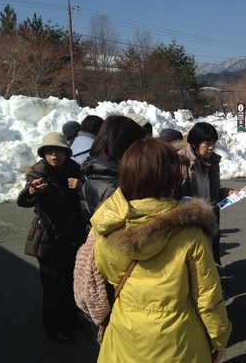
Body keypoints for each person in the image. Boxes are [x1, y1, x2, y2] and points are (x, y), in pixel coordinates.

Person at [91, 138, 232, 363]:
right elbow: (207, 296)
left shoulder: (107, 223)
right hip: (179, 341)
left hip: (125, 333)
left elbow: (105, 273)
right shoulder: (187, 232)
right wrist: (219, 339)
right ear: (170, 177)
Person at [17, 132, 87, 343]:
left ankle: (71, 318)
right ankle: (54, 328)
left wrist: (82, 188)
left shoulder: (74, 169)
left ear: (66, 153)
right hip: (48, 237)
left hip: (72, 235)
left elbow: (88, 196)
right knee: (53, 286)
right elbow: (23, 200)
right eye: (49, 151)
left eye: (58, 150)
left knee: (71, 282)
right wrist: (31, 191)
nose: (54, 155)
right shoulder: (38, 173)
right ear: (44, 154)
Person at [175, 122, 235, 265]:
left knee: (209, 258)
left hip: (208, 220)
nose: (211, 147)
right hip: (189, 223)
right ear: (195, 143)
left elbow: (209, 191)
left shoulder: (212, 162)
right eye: (207, 143)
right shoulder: (180, 161)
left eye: (213, 143)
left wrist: (225, 193)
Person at [80, 115, 147, 230]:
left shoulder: (94, 173)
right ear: (125, 145)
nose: (141, 150)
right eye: (138, 144)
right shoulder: (119, 183)